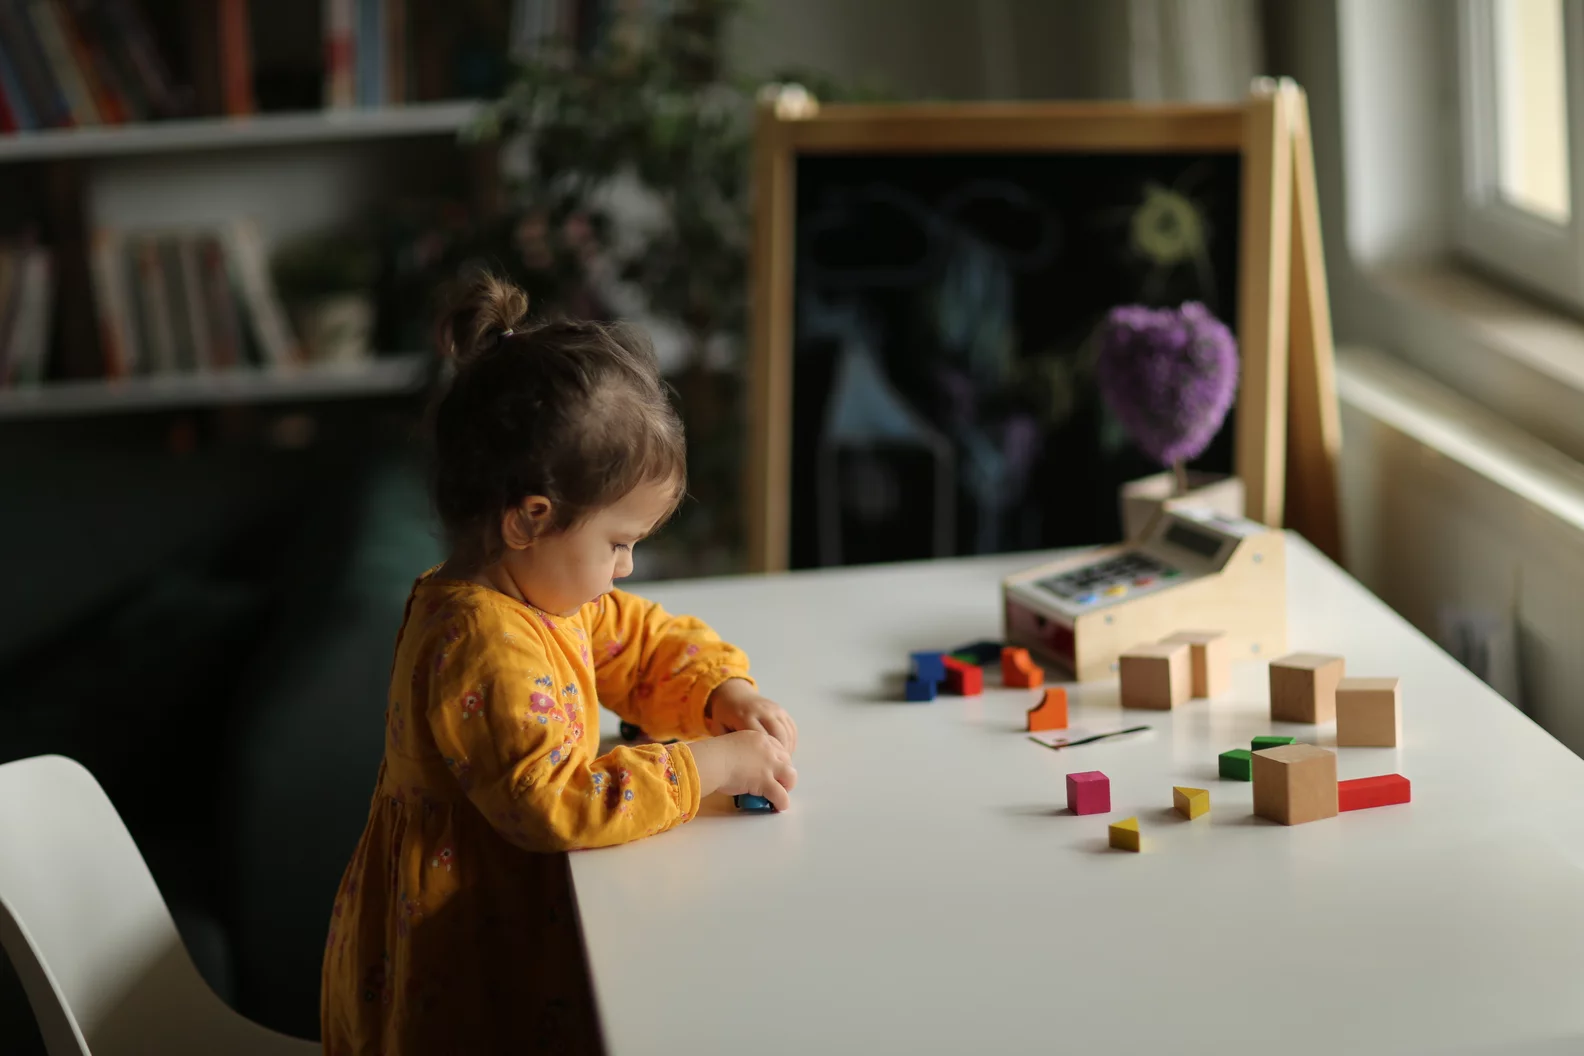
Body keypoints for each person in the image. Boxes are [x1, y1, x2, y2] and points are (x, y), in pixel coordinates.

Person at [320, 272, 799, 1055]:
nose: (628, 569)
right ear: (529, 519)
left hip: (514, 919)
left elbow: (640, 641)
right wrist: (704, 767)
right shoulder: (482, 641)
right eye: (618, 544)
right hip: (463, 951)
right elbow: (555, 804)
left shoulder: (540, 593)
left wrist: (722, 692)